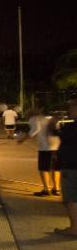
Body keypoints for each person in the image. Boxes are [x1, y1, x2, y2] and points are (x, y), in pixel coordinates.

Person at [49, 96, 77, 236]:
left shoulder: (72, 127)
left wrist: (53, 124)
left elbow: (56, 133)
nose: (69, 111)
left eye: (71, 107)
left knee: (71, 199)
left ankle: (74, 228)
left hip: (71, 167)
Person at [19, 108, 60, 196]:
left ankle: (46, 189)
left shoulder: (34, 119)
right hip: (56, 145)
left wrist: (23, 139)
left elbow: (35, 130)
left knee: (44, 168)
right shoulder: (49, 118)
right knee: (55, 168)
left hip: (45, 147)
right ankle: (56, 189)